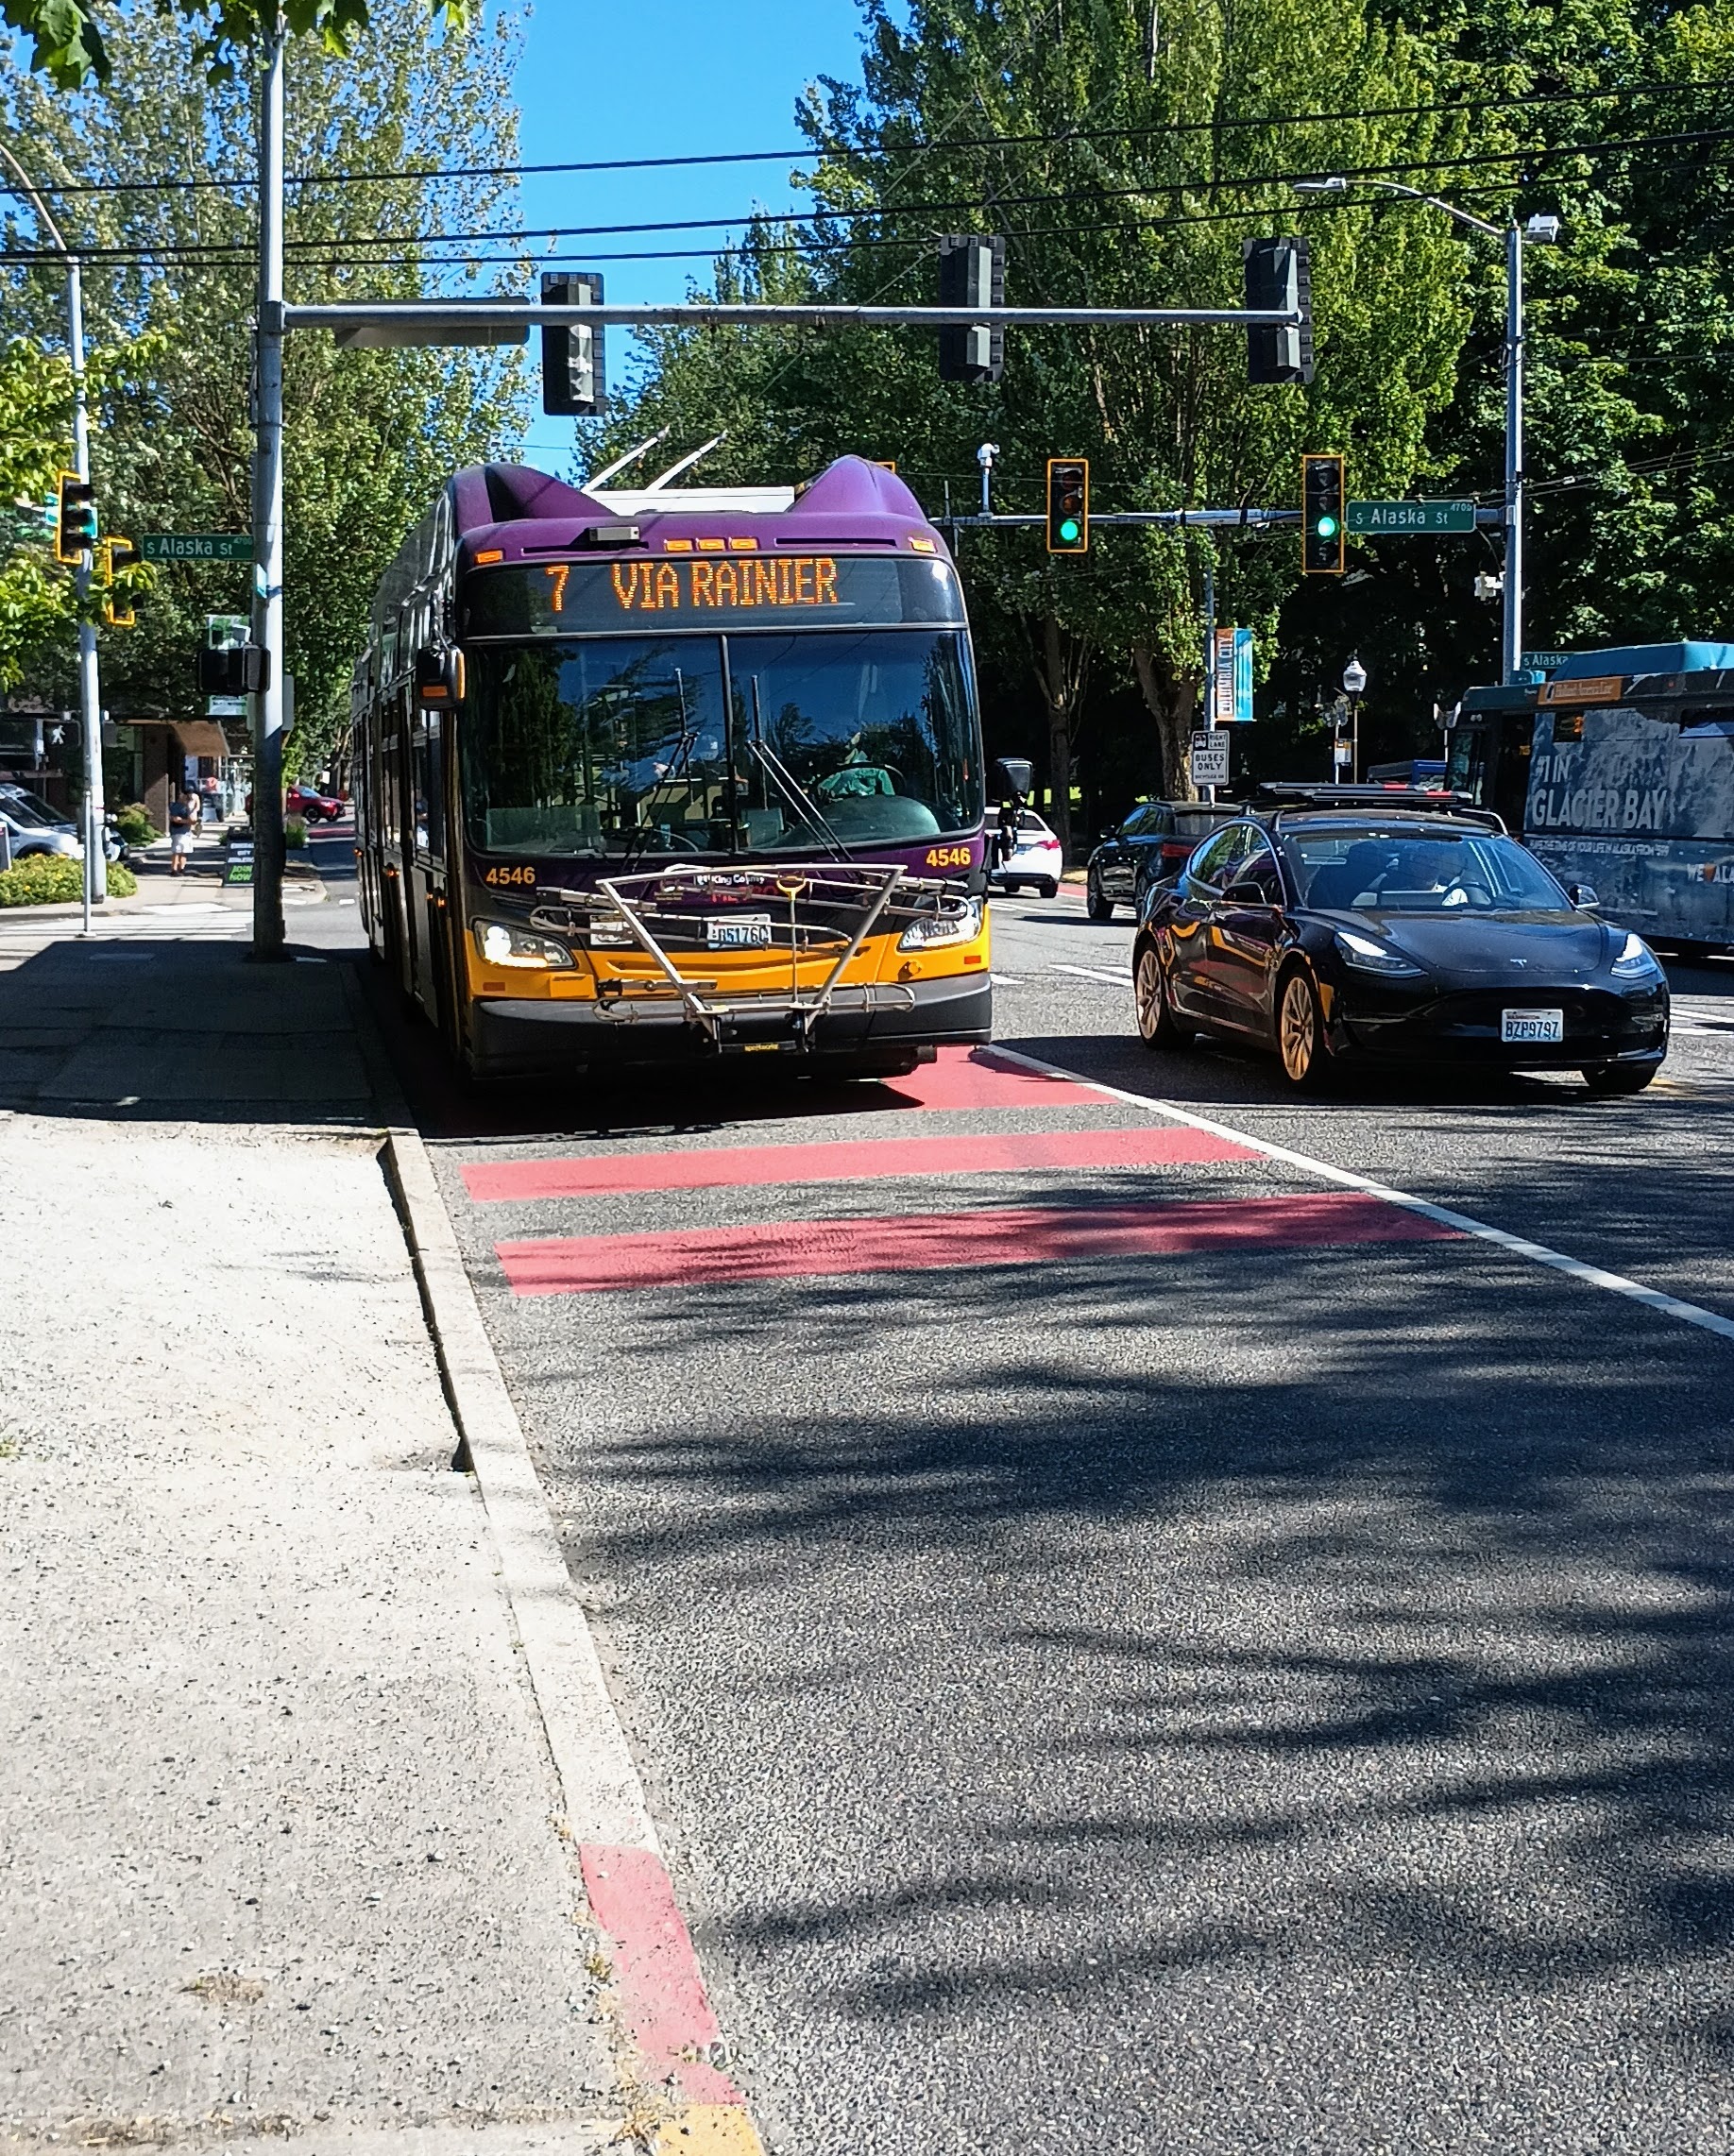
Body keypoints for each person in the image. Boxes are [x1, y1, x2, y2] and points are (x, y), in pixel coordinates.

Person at [167, 789, 197, 876]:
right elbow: (174, 819)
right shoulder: (175, 806)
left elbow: (193, 820)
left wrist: (184, 820)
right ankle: (175, 869)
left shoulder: (187, 807)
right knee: (177, 850)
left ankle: (181, 868)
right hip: (178, 831)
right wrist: (186, 821)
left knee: (183, 851)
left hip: (185, 831)